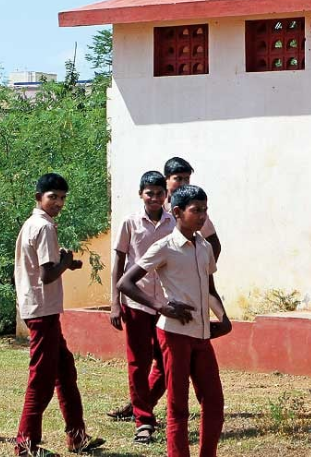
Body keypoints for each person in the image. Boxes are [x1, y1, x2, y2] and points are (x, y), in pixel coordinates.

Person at [118, 185, 233, 457]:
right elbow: (126, 282)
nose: (203, 216)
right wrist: (161, 306)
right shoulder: (165, 246)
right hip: (174, 335)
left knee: (214, 402)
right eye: (197, 210)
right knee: (178, 407)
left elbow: (210, 290)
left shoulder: (204, 247)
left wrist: (224, 318)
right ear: (178, 212)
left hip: (201, 335)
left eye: (205, 210)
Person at [14, 173, 104, 455]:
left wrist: (67, 263)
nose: (59, 203)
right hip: (42, 310)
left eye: (63, 197)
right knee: (41, 378)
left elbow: (48, 267)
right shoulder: (43, 227)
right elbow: (47, 274)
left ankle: (77, 436)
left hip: (41, 308)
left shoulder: (35, 224)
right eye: (53, 197)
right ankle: (25, 445)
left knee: (65, 371)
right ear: (38, 197)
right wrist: (64, 263)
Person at [108, 170, 175, 443]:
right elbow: (119, 265)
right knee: (138, 362)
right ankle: (143, 422)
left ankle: (142, 405)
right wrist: (114, 303)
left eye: (160, 193)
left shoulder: (174, 222)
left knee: (166, 360)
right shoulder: (130, 223)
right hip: (136, 300)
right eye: (150, 193)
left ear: (165, 195)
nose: (155, 198)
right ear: (141, 195)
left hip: (167, 302)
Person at [163, 157, 222, 261]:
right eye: (178, 178)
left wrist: (205, 272)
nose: (183, 183)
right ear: (166, 179)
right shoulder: (156, 205)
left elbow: (214, 244)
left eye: (186, 179)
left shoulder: (194, 210)